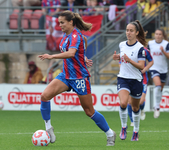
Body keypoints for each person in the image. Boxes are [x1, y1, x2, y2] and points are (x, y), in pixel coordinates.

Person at [38, 10, 116, 146]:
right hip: (66, 75)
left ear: (71, 22)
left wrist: (51, 56)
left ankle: (110, 133)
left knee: (89, 111)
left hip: (79, 77)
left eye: (62, 23)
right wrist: (83, 57)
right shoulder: (66, 35)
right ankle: (48, 128)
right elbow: (79, 47)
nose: (60, 25)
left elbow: (71, 53)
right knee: (45, 96)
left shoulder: (75, 36)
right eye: (59, 23)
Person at [113, 20, 147, 141]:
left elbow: (142, 66)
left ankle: (136, 131)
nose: (128, 33)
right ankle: (123, 127)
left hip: (136, 80)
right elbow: (122, 60)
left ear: (137, 32)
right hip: (123, 78)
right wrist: (118, 58)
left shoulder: (140, 48)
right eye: (127, 30)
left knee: (135, 108)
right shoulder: (122, 44)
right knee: (123, 103)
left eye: (131, 30)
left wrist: (129, 60)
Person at [148, 28, 169, 118]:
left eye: (159, 34)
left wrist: (163, 51)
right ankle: (157, 107)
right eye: (156, 34)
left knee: (160, 89)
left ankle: (157, 104)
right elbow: (145, 54)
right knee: (158, 85)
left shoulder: (165, 44)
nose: (158, 36)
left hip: (163, 70)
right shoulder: (150, 43)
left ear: (162, 36)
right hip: (153, 68)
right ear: (154, 35)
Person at [128, 46, 153, 126]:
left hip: (143, 79)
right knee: (129, 102)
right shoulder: (128, 49)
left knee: (141, 101)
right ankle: (132, 121)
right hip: (131, 78)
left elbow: (151, 61)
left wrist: (145, 69)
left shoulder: (145, 50)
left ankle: (142, 109)